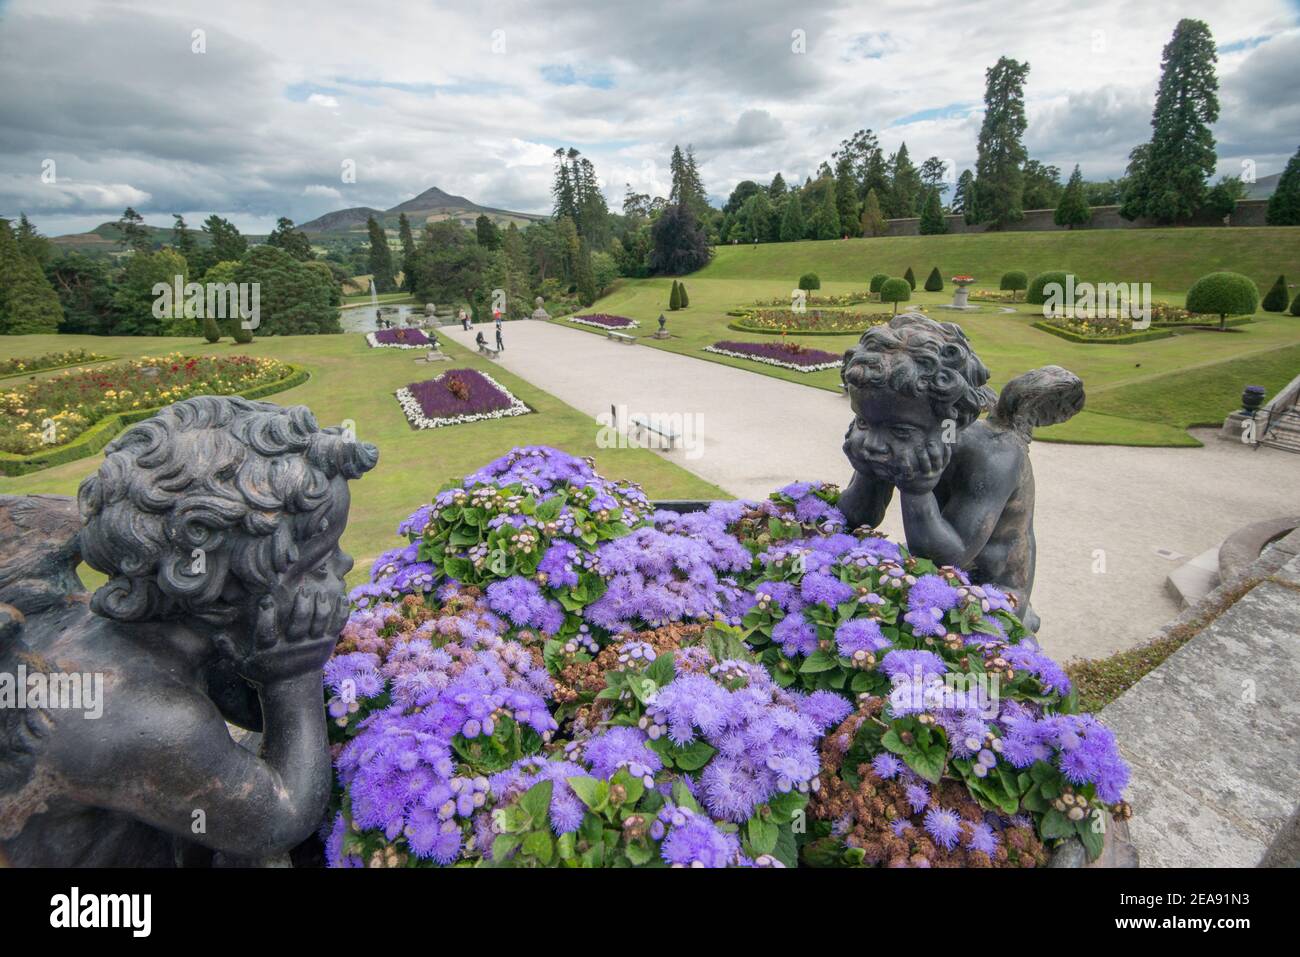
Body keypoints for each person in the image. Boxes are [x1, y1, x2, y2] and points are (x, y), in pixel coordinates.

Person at [0, 396, 378, 865]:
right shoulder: (154, 719)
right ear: (225, 590)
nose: (343, 565)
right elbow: (278, 819)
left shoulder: (108, 625)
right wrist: (293, 673)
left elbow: (238, 698)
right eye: (320, 560)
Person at [838, 314, 1083, 632]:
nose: (873, 443)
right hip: (932, 578)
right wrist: (866, 472)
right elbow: (856, 518)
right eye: (864, 422)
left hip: (990, 593)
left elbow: (947, 560)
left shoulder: (996, 455)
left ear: (949, 417)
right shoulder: (895, 432)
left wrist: (917, 490)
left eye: (898, 430)